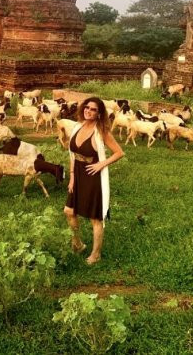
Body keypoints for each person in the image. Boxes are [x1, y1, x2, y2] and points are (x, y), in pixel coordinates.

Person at [63, 97, 124, 265]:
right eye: (86, 107)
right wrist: (72, 177)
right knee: (69, 211)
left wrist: (101, 164)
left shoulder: (101, 131)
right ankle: (78, 244)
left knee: (95, 218)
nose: (88, 111)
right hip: (78, 173)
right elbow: (72, 155)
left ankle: (96, 254)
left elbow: (119, 152)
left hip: (93, 176)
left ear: (99, 113)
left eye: (93, 109)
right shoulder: (77, 126)